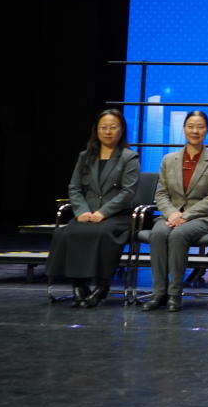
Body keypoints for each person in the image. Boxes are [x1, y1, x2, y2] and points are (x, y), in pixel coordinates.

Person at [48, 109, 141, 308]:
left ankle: (102, 284)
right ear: (96, 130)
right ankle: (78, 284)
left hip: (116, 215)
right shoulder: (85, 157)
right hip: (87, 213)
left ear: (122, 130)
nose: (108, 132)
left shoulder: (129, 157)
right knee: (68, 232)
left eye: (113, 127)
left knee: (102, 233)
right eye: (103, 127)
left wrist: (103, 212)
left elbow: (128, 191)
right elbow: (74, 188)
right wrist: (81, 211)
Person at [143, 110, 208, 312]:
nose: (195, 131)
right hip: (170, 215)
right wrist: (171, 213)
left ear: (207, 130)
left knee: (178, 234)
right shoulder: (168, 159)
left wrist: (185, 216)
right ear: (184, 129)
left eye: (200, 127)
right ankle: (159, 292)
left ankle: (174, 293)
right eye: (190, 126)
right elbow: (161, 193)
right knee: (158, 233)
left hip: (202, 217)